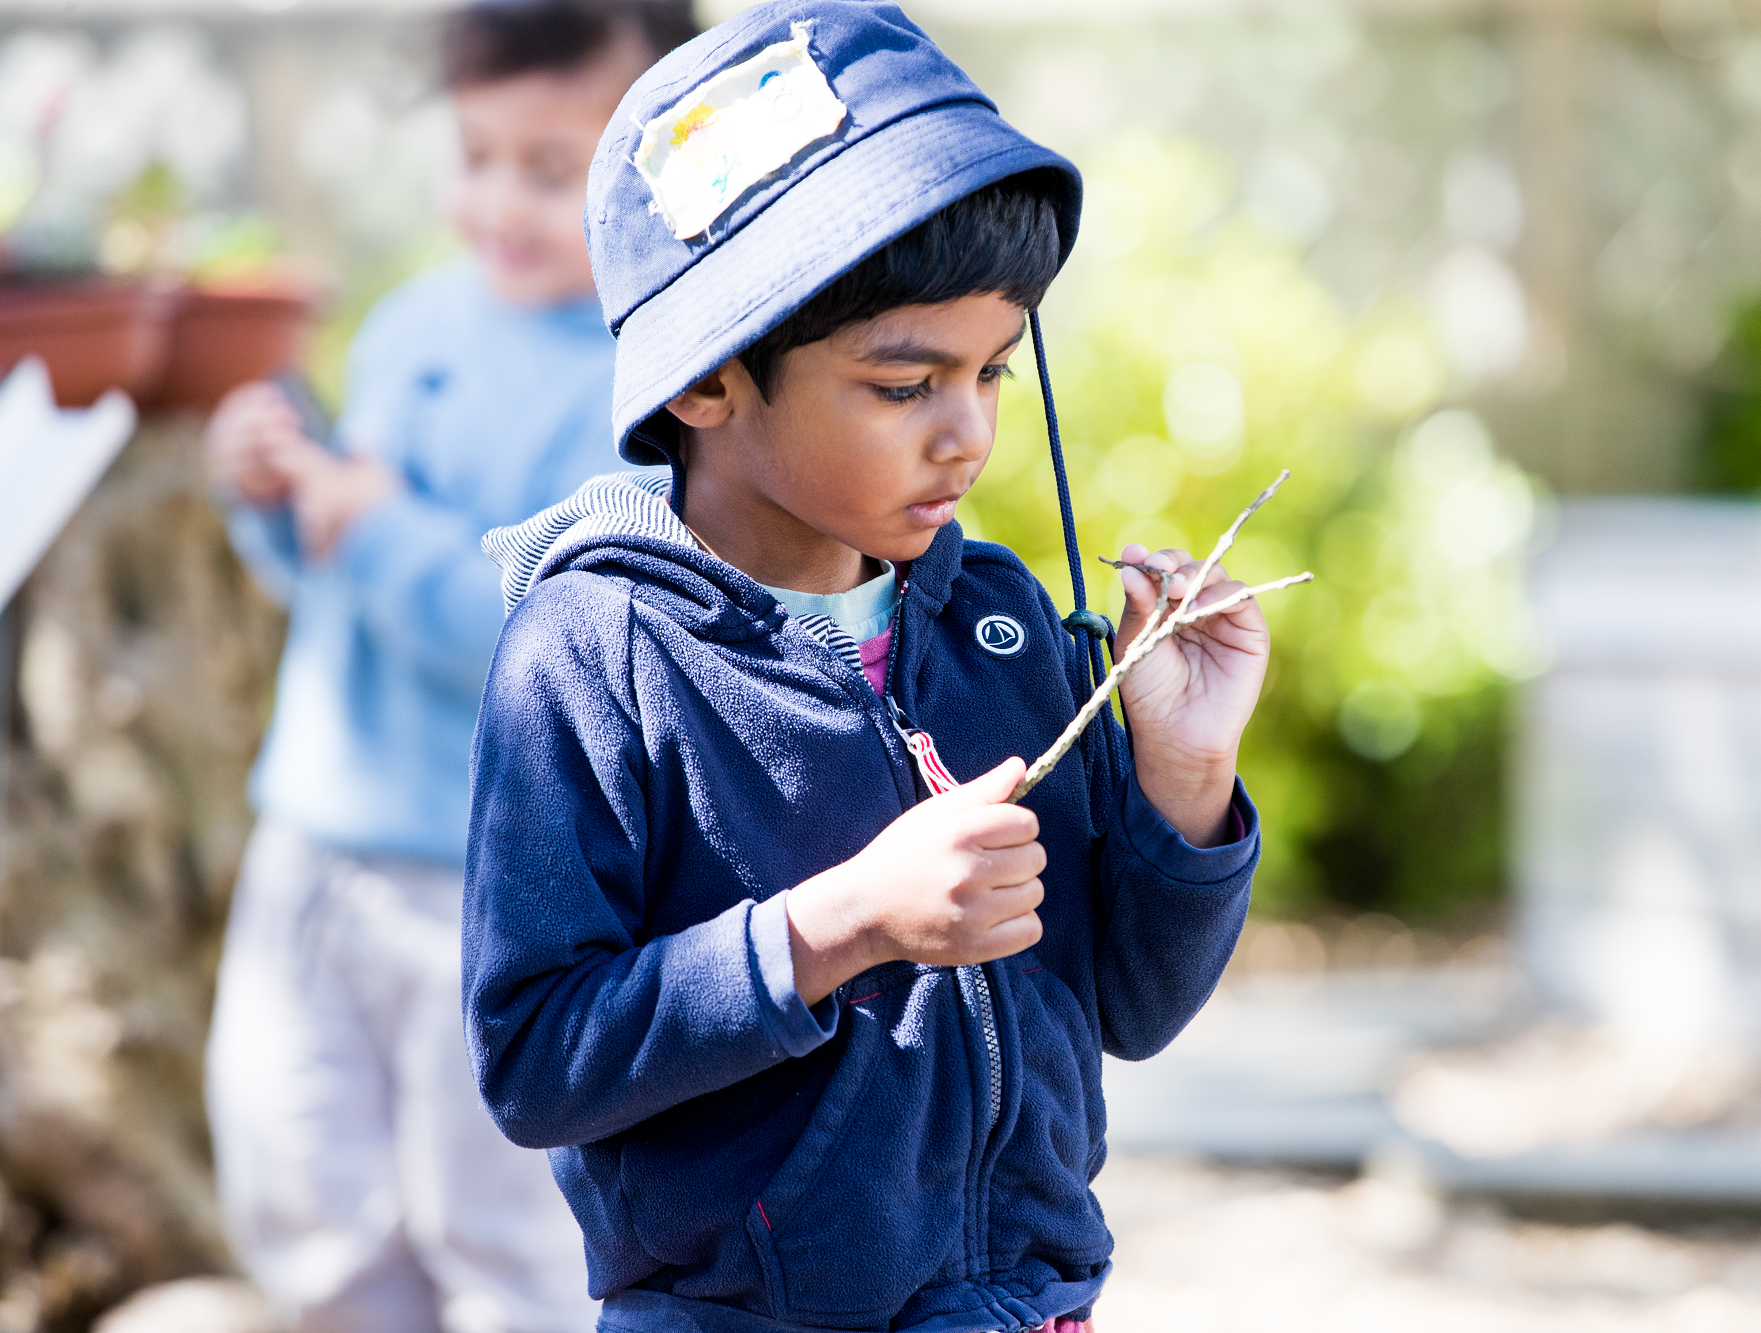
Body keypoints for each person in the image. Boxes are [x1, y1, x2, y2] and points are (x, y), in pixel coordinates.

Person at [462, 3, 1267, 1330]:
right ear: (709, 381)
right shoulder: (595, 653)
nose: (968, 435)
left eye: (996, 374)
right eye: (907, 385)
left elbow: (1130, 1006)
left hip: (1029, 1304)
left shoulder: (995, 626)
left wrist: (1184, 772)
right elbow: (537, 1059)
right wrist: (842, 927)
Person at [201, 3, 696, 1329]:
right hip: (315, 838)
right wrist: (279, 498)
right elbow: (332, 583)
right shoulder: (414, 324)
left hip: (502, 889)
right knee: (302, 1189)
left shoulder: (655, 390)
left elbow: (551, 654)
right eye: (474, 155)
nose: (498, 202)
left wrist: (370, 524)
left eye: (550, 168)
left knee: (509, 1233)